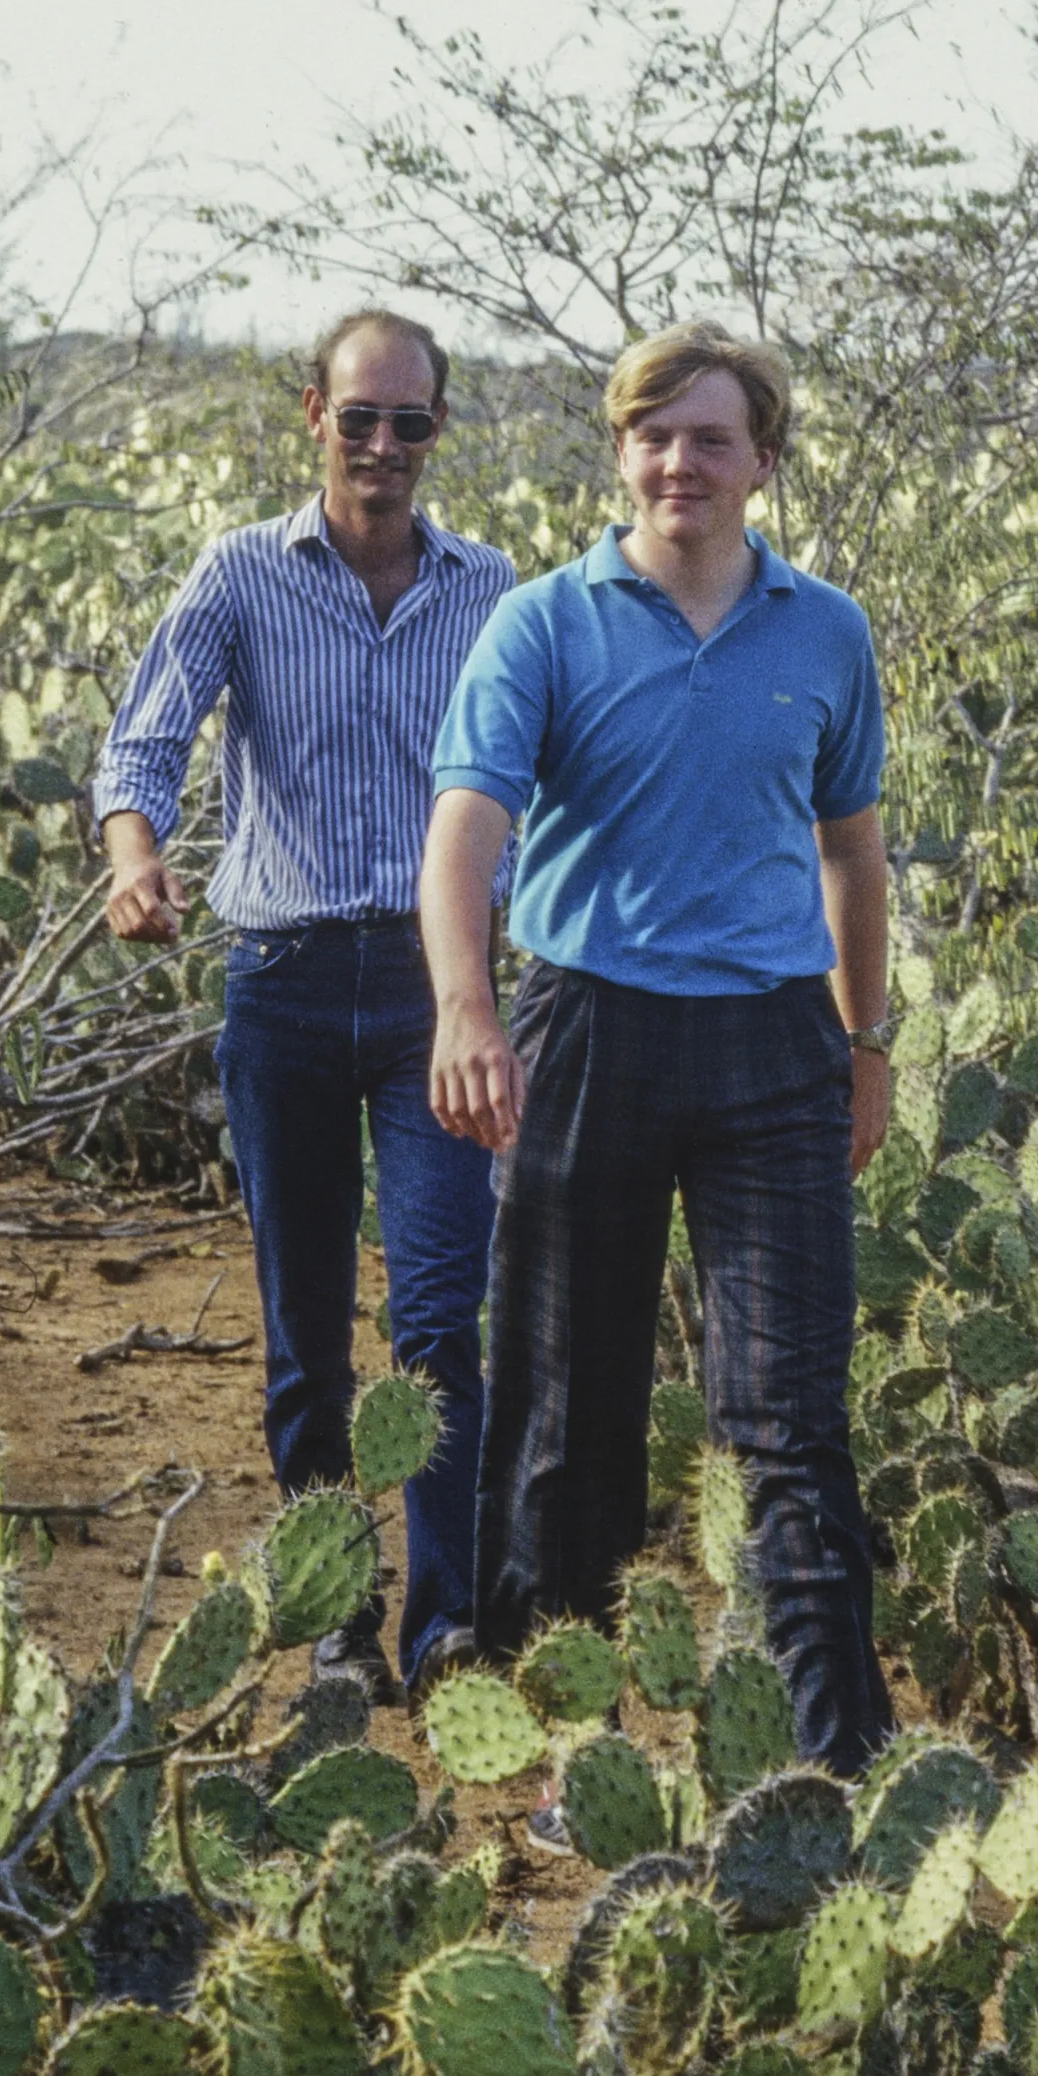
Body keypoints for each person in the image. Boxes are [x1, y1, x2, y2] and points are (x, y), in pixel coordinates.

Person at [421, 318, 898, 1779]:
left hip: (774, 1042)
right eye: (655, 434)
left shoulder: (827, 628)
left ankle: (839, 1767)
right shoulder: (544, 623)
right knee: (571, 1419)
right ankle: (581, 1765)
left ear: (763, 459)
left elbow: (854, 854)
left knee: (790, 1422)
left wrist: (865, 1043)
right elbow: (463, 836)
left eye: (711, 436)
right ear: (622, 451)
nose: (679, 461)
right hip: (587, 1026)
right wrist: (466, 1006)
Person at [89, 307, 517, 1697]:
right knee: (306, 1326)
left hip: (433, 989)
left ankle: (446, 1623)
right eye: (359, 418)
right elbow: (147, 735)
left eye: (410, 422)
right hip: (278, 983)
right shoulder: (241, 575)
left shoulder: (490, 589)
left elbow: (548, 775)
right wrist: (136, 854)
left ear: (438, 433)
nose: (383, 446)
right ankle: (335, 1601)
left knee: (443, 1312)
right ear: (312, 419)